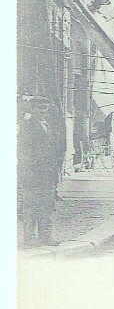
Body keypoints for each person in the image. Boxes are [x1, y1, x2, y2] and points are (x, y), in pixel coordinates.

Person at [18, 96, 64, 247]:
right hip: (32, 173)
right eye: (39, 107)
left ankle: (45, 236)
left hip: (47, 174)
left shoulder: (48, 125)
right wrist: (26, 172)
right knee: (31, 206)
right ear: (32, 108)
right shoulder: (27, 126)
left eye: (45, 107)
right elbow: (24, 152)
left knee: (47, 205)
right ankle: (30, 238)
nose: (43, 110)